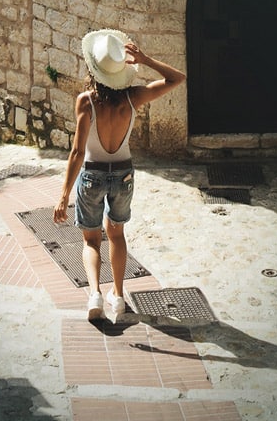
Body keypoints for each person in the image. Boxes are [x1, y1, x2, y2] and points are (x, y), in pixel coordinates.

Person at [53, 29, 186, 322]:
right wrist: (145, 59)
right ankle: (119, 297)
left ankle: (95, 296)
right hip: (123, 175)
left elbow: (77, 152)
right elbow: (178, 79)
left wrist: (63, 196)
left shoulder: (85, 102)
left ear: (93, 70)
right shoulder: (133, 97)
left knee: (91, 240)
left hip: (91, 176)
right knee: (116, 234)